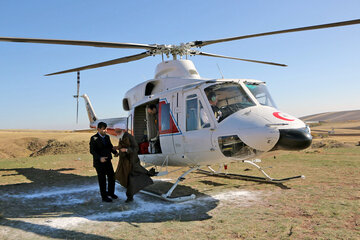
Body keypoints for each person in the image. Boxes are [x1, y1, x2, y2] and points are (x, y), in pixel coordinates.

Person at [113, 123, 156, 203]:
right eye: (116, 132)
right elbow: (123, 146)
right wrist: (118, 148)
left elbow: (136, 148)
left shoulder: (129, 137)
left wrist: (126, 150)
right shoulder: (121, 137)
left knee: (131, 180)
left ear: (123, 130)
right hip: (124, 163)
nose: (117, 133)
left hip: (131, 163)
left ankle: (130, 197)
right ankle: (130, 196)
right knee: (125, 178)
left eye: (118, 131)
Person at [89, 122, 119, 202]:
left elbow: (110, 146)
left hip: (108, 161)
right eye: (103, 129)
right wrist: (99, 158)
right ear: (98, 129)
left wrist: (115, 153)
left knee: (112, 177)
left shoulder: (107, 137)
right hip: (99, 162)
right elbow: (92, 151)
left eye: (106, 129)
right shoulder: (94, 138)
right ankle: (104, 196)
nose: (105, 130)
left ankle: (111, 193)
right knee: (102, 179)